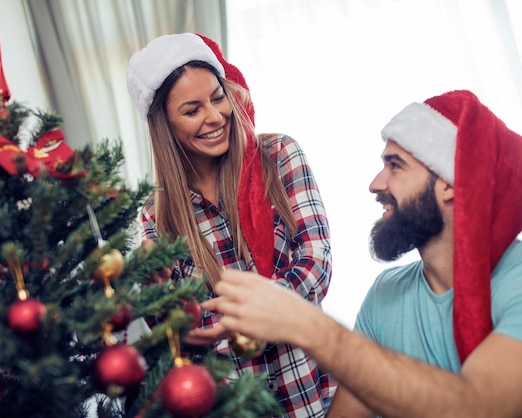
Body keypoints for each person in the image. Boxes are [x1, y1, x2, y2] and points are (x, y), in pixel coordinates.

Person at [194, 89, 522, 417]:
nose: (376, 184)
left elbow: (480, 409)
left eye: (396, 166)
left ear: (450, 182)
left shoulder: (516, 281)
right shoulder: (386, 294)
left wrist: (305, 324)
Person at [126, 33, 336, 417]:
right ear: (165, 127)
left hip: (316, 395)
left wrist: (241, 316)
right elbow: (179, 333)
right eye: (192, 110)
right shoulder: (156, 217)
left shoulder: (279, 157)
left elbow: (315, 264)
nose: (214, 116)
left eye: (217, 97)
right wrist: (156, 296)